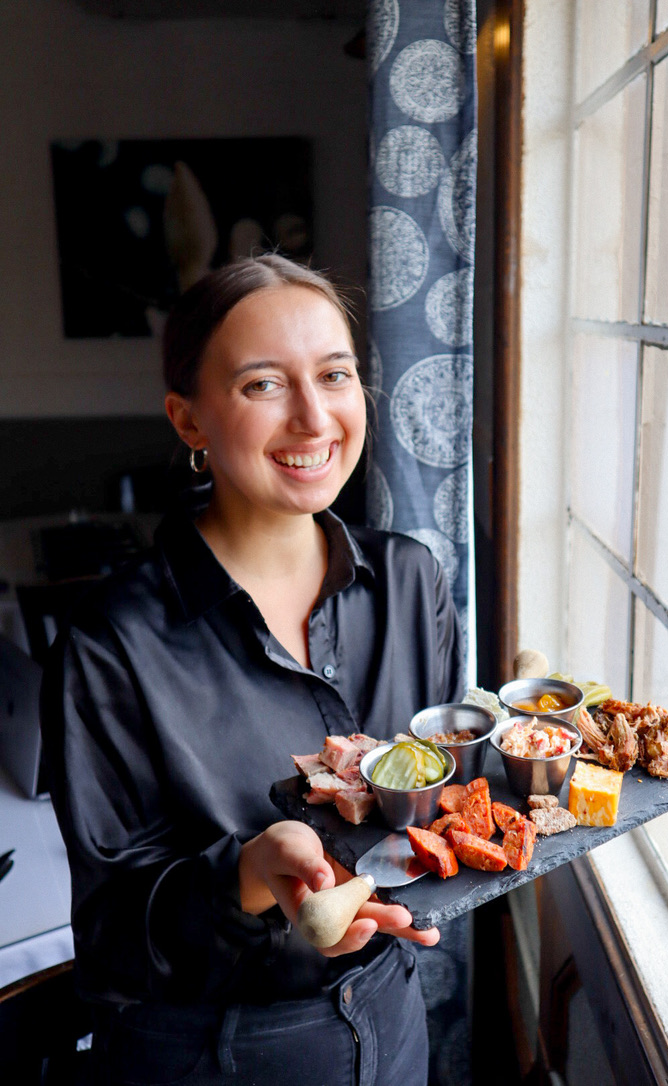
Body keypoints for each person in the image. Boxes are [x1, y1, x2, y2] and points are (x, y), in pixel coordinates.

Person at [40, 254, 465, 1086]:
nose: (314, 419)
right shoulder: (110, 642)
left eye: (335, 374)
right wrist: (249, 873)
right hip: (209, 1053)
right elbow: (114, 938)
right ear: (189, 420)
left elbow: (436, 802)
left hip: (392, 1012)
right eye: (263, 385)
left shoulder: (412, 582)